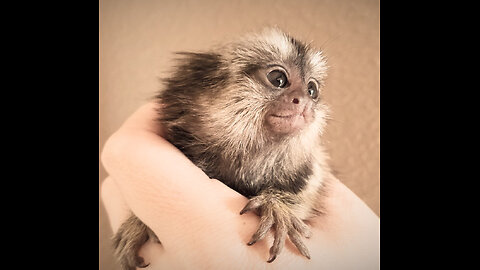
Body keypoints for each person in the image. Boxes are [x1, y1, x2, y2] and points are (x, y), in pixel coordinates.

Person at [100, 102, 380, 270]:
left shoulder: (306, 168)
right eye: (277, 80)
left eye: (313, 89)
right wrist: (144, 217)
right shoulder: (174, 138)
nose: (303, 101)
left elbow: (310, 194)